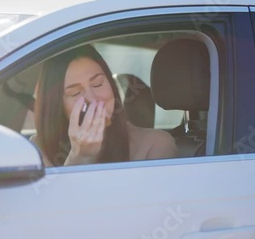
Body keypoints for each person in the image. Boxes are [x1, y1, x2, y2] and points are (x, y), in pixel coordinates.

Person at [31, 44, 178, 166]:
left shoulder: (155, 145)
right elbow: (57, 201)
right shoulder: (39, 147)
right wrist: (80, 156)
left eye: (98, 84)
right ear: (57, 106)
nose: (92, 99)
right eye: (75, 93)